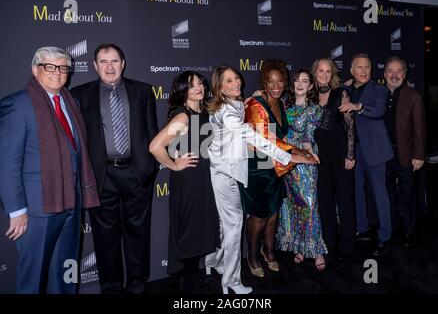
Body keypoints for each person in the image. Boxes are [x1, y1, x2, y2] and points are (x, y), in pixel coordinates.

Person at [205, 65, 317, 294]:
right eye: (228, 81)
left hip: (237, 169)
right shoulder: (228, 111)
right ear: (219, 86)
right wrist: (290, 156)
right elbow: (258, 139)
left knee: (229, 226)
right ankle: (230, 281)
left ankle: (214, 262)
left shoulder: (237, 103)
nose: (235, 83)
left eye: (236, 78)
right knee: (234, 226)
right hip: (227, 173)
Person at [0, 46, 100, 293]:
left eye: (63, 68)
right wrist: (17, 210)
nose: (58, 73)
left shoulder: (70, 102)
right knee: (33, 278)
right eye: (50, 67)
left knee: (67, 270)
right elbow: (7, 162)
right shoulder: (17, 105)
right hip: (37, 210)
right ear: (35, 69)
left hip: (70, 203)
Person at [70, 43, 158, 294]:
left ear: (123, 63)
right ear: (95, 65)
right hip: (101, 176)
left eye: (115, 61)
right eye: (103, 62)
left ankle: (137, 284)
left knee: (138, 234)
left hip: (136, 173)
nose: (110, 67)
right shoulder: (79, 94)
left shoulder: (143, 91)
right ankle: (111, 288)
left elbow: (152, 132)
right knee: (105, 238)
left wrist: (149, 168)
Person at [149, 71, 219, 292]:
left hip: (203, 178)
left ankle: (191, 276)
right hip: (189, 180)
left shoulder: (204, 110)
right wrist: (174, 164)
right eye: (191, 86)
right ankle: (187, 281)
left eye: (200, 83)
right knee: (190, 230)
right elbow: (155, 147)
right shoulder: (183, 116)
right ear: (183, 91)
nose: (198, 87)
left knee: (199, 229)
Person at [240, 59, 301, 278]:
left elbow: (280, 137)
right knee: (260, 215)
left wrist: (294, 153)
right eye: (270, 81)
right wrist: (299, 154)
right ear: (264, 83)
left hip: (276, 165)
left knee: (274, 212)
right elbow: (265, 141)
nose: (276, 85)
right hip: (257, 166)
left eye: (280, 81)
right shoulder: (257, 103)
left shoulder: (282, 103)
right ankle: (252, 256)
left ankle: (269, 252)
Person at [339, 53, 393, 256]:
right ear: (352, 71)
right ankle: (362, 229)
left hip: (375, 150)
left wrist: (358, 106)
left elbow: (378, 110)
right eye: (359, 67)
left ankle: (385, 236)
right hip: (353, 151)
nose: (363, 71)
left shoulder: (379, 89)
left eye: (367, 67)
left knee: (380, 194)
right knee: (356, 192)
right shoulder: (345, 89)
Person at [276, 69, 327, 271]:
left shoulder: (314, 109)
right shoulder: (282, 105)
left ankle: (316, 250)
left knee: (310, 204)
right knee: (292, 206)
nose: (300, 84)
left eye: (305, 81)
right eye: (297, 80)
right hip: (284, 160)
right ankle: (299, 247)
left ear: (311, 86)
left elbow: (307, 137)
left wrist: (309, 155)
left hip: (303, 160)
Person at [311, 58, 356, 260]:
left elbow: (349, 126)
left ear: (333, 74)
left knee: (346, 200)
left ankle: (347, 245)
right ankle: (329, 243)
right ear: (315, 72)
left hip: (340, 154)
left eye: (328, 71)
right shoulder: (310, 96)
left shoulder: (341, 93)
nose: (324, 75)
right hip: (320, 158)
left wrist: (350, 154)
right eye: (321, 71)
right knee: (325, 202)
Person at [383, 56, 426, 247]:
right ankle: (392, 227)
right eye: (390, 71)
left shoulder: (413, 96)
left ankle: (409, 231)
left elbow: (420, 129)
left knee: (407, 194)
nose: (394, 75)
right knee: (388, 194)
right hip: (383, 156)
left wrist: (419, 155)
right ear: (384, 74)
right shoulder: (379, 94)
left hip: (406, 155)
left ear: (405, 73)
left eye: (398, 71)